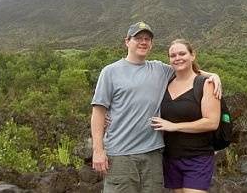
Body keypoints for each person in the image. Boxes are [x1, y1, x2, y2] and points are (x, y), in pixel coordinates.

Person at [91, 22, 221, 193]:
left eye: (147, 39)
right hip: (121, 154)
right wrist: (98, 150)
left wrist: (214, 76)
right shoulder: (110, 72)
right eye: (138, 38)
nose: (143, 42)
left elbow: (185, 68)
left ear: (151, 44)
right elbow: (98, 113)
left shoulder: (159, 70)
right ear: (127, 41)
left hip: (153, 154)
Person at [151, 39, 221, 193]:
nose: (178, 58)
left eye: (182, 53)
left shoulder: (205, 84)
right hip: (171, 157)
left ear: (192, 55)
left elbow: (212, 122)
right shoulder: (166, 82)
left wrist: (174, 126)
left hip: (197, 157)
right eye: (173, 55)